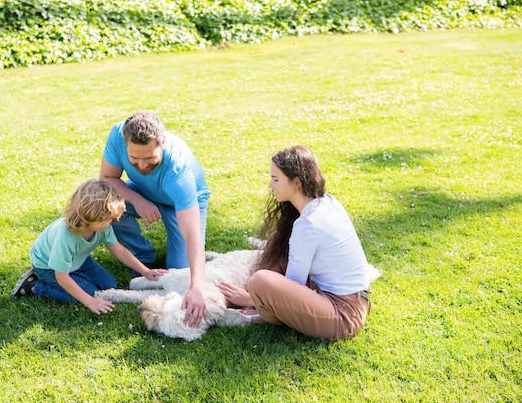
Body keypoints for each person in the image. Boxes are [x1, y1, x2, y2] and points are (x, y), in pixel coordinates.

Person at [218, 146, 377, 339]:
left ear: (297, 183)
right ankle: (261, 310)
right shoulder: (327, 202)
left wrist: (251, 299)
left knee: (260, 281)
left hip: (343, 315)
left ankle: (259, 315)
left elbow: (293, 285)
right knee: (277, 252)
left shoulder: (309, 224)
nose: (270, 185)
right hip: (352, 299)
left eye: (276, 179)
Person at [99, 111, 210, 327]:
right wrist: (137, 200)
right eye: (134, 159)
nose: (141, 166)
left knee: (179, 278)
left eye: (150, 159)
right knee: (106, 205)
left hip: (183, 203)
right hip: (143, 193)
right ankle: (143, 255)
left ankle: (181, 270)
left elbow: (192, 235)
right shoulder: (117, 134)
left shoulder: (178, 171)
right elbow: (107, 177)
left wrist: (196, 288)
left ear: (163, 142)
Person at [11, 179, 167, 315]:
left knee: (110, 287)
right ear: (86, 215)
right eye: (104, 220)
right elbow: (62, 277)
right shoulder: (66, 237)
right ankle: (33, 285)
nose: (109, 223)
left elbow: (119, 250)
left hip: (79, 258)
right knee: (87, 295)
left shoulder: (103, 226)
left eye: (110, 219)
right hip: (48, 266)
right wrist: (90, 302)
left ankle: (79, 276)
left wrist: (145, 271)